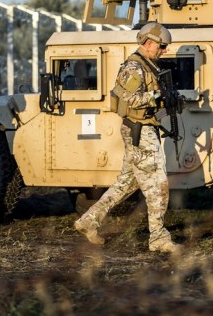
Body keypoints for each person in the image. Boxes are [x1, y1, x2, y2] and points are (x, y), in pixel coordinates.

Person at [74, 21, 181, 253]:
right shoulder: (134, 68)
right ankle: (158, 238)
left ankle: (89, 221)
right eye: (162, 46)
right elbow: (128, 99)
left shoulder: (148, 66)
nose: (164, 51)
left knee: (126, 183)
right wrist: (157, 97)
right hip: (140, 131)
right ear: (149, 43)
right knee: (158, 186)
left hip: (143, 129)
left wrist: (167, 99)